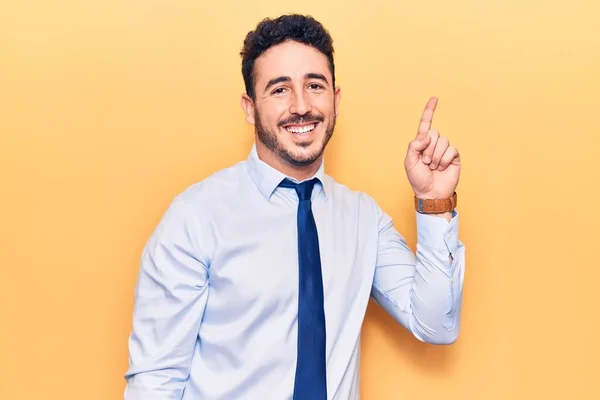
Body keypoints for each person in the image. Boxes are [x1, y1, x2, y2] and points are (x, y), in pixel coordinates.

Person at [124, 13, 465, 400]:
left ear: (335, 98)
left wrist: (435, 202)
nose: (301, 106)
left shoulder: (362, 218)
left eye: (314, 85)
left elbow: (437, 324)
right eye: (279, 89)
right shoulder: (196, 218)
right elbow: (155, 381)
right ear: (250, 107)